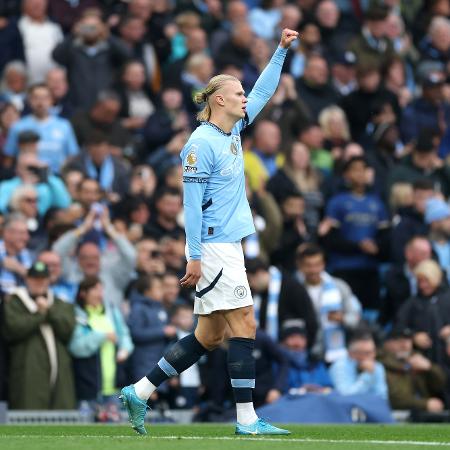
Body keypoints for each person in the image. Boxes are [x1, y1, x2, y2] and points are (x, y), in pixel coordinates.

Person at [120, 28, 299, 436]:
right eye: (238, 93)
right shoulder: (201, 143)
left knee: (209, 335)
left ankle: (140, 390)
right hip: (215, 246)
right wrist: (194, 255)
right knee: (245, 325)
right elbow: (190, 205)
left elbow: (265, 93)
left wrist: (280, 52)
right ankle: (247, 420)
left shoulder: (230, 130)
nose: (244, 98)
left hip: (226, 244)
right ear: (219, 99)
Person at [3, 261, 76, 409]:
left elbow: (67, 329)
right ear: (27, 280)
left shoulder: (59, 303)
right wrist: (39, 315)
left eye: (43, 279)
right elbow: (13, 329)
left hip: (59, 375)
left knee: (62, 421)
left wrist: (48, 312)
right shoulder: (15, 302)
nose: (39, 283)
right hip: (27, 374)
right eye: (35, 279)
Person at [69, 276, 133, 416]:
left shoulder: (111, 310)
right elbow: (76, 348)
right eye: (95, 290)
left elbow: (124, 335)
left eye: (101, 290)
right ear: (83, 293)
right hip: (88, 388)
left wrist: (124, 349)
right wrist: (102, 336)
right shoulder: (77, 315)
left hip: (113, 388)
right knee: (85, 431)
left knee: (115, 432)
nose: (100, 294)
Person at [295, 243, 362, 363]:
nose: (314, 270)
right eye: (309, 265)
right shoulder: (294, 289)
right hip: (304, 352)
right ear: (300, 266)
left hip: (338, 353)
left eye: (317, 265)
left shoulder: (340, 286)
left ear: (324, 264)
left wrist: (342, 318)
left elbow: (355, 318)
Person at [379, 328, 447, 413]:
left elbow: (441, 385)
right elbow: (395, 399)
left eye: (408, 341)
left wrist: (430, 368)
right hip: (396, 415)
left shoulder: (417, 359)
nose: (405, 346)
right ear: (387, 343)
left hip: (423, 414)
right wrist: (425, 404)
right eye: (400, 341)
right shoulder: (380, 365)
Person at [329, 332, 388, 399]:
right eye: (367, 353)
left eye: (373, 351)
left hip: (371, 408)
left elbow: (382, 397)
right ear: (351, 354)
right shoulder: (339, 367)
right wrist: (368, 375)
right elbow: (346, 397)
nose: (373, 356)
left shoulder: (377, 367)